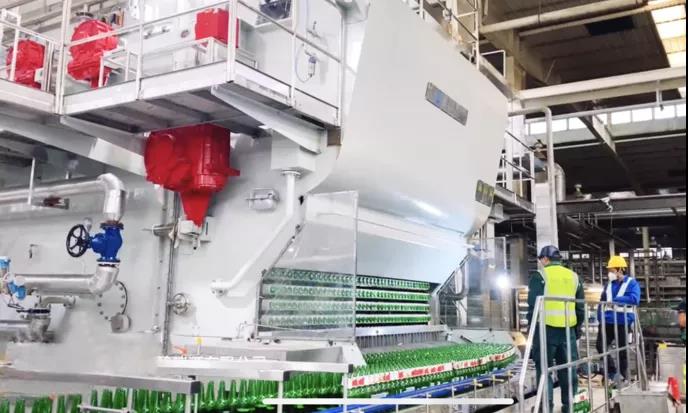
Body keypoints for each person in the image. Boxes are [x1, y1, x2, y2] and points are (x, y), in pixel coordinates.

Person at [527, 245, 585, 413]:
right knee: (568, 369)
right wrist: (577, 328)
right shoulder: (574, 277)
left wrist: (531, 330)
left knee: (544, 370)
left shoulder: (540, 276)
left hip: (545, 330)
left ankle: (547, 407)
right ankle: (570, 407)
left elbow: (533, 307)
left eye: (541, 260)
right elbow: (580, 308)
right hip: (568, 331)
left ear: (545, 259)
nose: (541, 263)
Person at [596, 255, 641, 383]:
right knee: (600, 346)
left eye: (612, 270)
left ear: (620, 269)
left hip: (623, 322)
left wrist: (616, 300)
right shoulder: (609, 285)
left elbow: (634, 299)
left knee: (622, 350)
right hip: (607, 321)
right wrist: (600, 317)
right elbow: (602, 301)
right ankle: (612, 371)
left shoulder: (631, 283)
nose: (609, 273)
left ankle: (622, 376)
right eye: (609, 270)